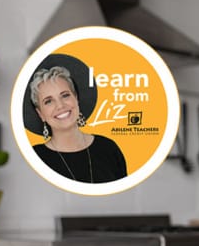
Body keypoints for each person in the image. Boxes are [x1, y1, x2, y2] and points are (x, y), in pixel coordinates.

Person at [26, 55, 127, 183]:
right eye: (49, 101)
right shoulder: (33, 158)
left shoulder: (108, 148)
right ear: (40, 114)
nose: (60, 105)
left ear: (76, 99)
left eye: (65, 95)